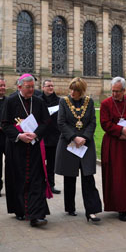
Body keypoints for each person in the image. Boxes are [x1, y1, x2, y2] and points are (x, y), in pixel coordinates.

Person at [1, 74, 51, 227]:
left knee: (36, 180)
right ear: (19, 87)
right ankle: (20, 210)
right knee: (18, 179)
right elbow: (4, 124)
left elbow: (46, 122)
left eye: (32, 87)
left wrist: (36, 134)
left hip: (34, 147)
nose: (31, 90)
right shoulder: (10, 101)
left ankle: (37, 214)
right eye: (28, 87)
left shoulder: (39, 101)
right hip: (16, 148)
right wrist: (19, 135)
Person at [55, 77, 102, 222]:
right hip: (69, 144)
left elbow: (93, 122)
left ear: (81, 91)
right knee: (69, 176)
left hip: (85, 144)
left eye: (75, 90)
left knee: (88, 177)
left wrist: (85, 138)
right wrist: (74, 138)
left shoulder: (89, 102)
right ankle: (70, 207)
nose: (72, 92)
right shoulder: (63, 102)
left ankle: (92, 211)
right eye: (71, 89)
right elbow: (61, 122)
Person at [100, 77, 126, 221]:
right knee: (116, 176)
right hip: (113, 143)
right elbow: (104, 123)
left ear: (124, 90)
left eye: (117, 92)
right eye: (113, 91)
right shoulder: (106, 104)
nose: (114, 94)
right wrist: (120, 131)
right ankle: (118, 206)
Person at [40, 79, 61, 194]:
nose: (50, 88)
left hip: (54, 136)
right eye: (48, 86)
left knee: (52, 164)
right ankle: (40, 184)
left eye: (52, 86)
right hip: (41, 137)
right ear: (43, 87)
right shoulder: (38, 101)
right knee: (40, 163)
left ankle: (51, 185)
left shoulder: (59, 101)